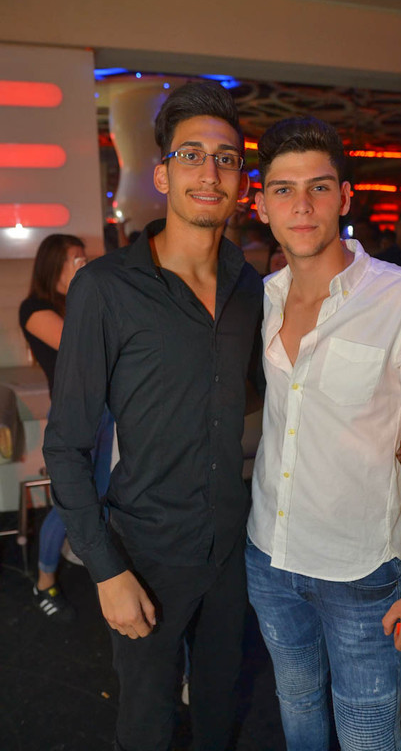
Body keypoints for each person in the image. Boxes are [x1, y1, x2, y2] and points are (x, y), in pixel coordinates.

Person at [245, 117, 401, 751]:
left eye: (319, 187)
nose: (301, 206)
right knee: (296, 709)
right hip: (268, 553)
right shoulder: (262, 297)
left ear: (345, 197)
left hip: (359, 569)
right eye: (284, 189)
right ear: (262, 204)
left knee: (368, 736)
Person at [43, 81, 263, 751]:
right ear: (163, 175)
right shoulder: (106, 287)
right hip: (146, 553)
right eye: (191, 155)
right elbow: (66, 446)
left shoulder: (251, 287)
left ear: (240, 181)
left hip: (234, 546)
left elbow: (264, 392)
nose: (209, 171)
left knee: (223, 712)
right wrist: (107, 571)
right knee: (147, 727)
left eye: (225, 158)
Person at [19, 233, 114, 622]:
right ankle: (44, 582)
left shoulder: (76, 300)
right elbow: (83, 345)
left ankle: (93, 561)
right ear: (54, 264)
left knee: (101, 492)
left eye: (84, 257)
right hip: (74, 416)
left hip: (105, 410)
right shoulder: (34, 307)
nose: (84, 263)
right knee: (72, 501)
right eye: (76, 258)